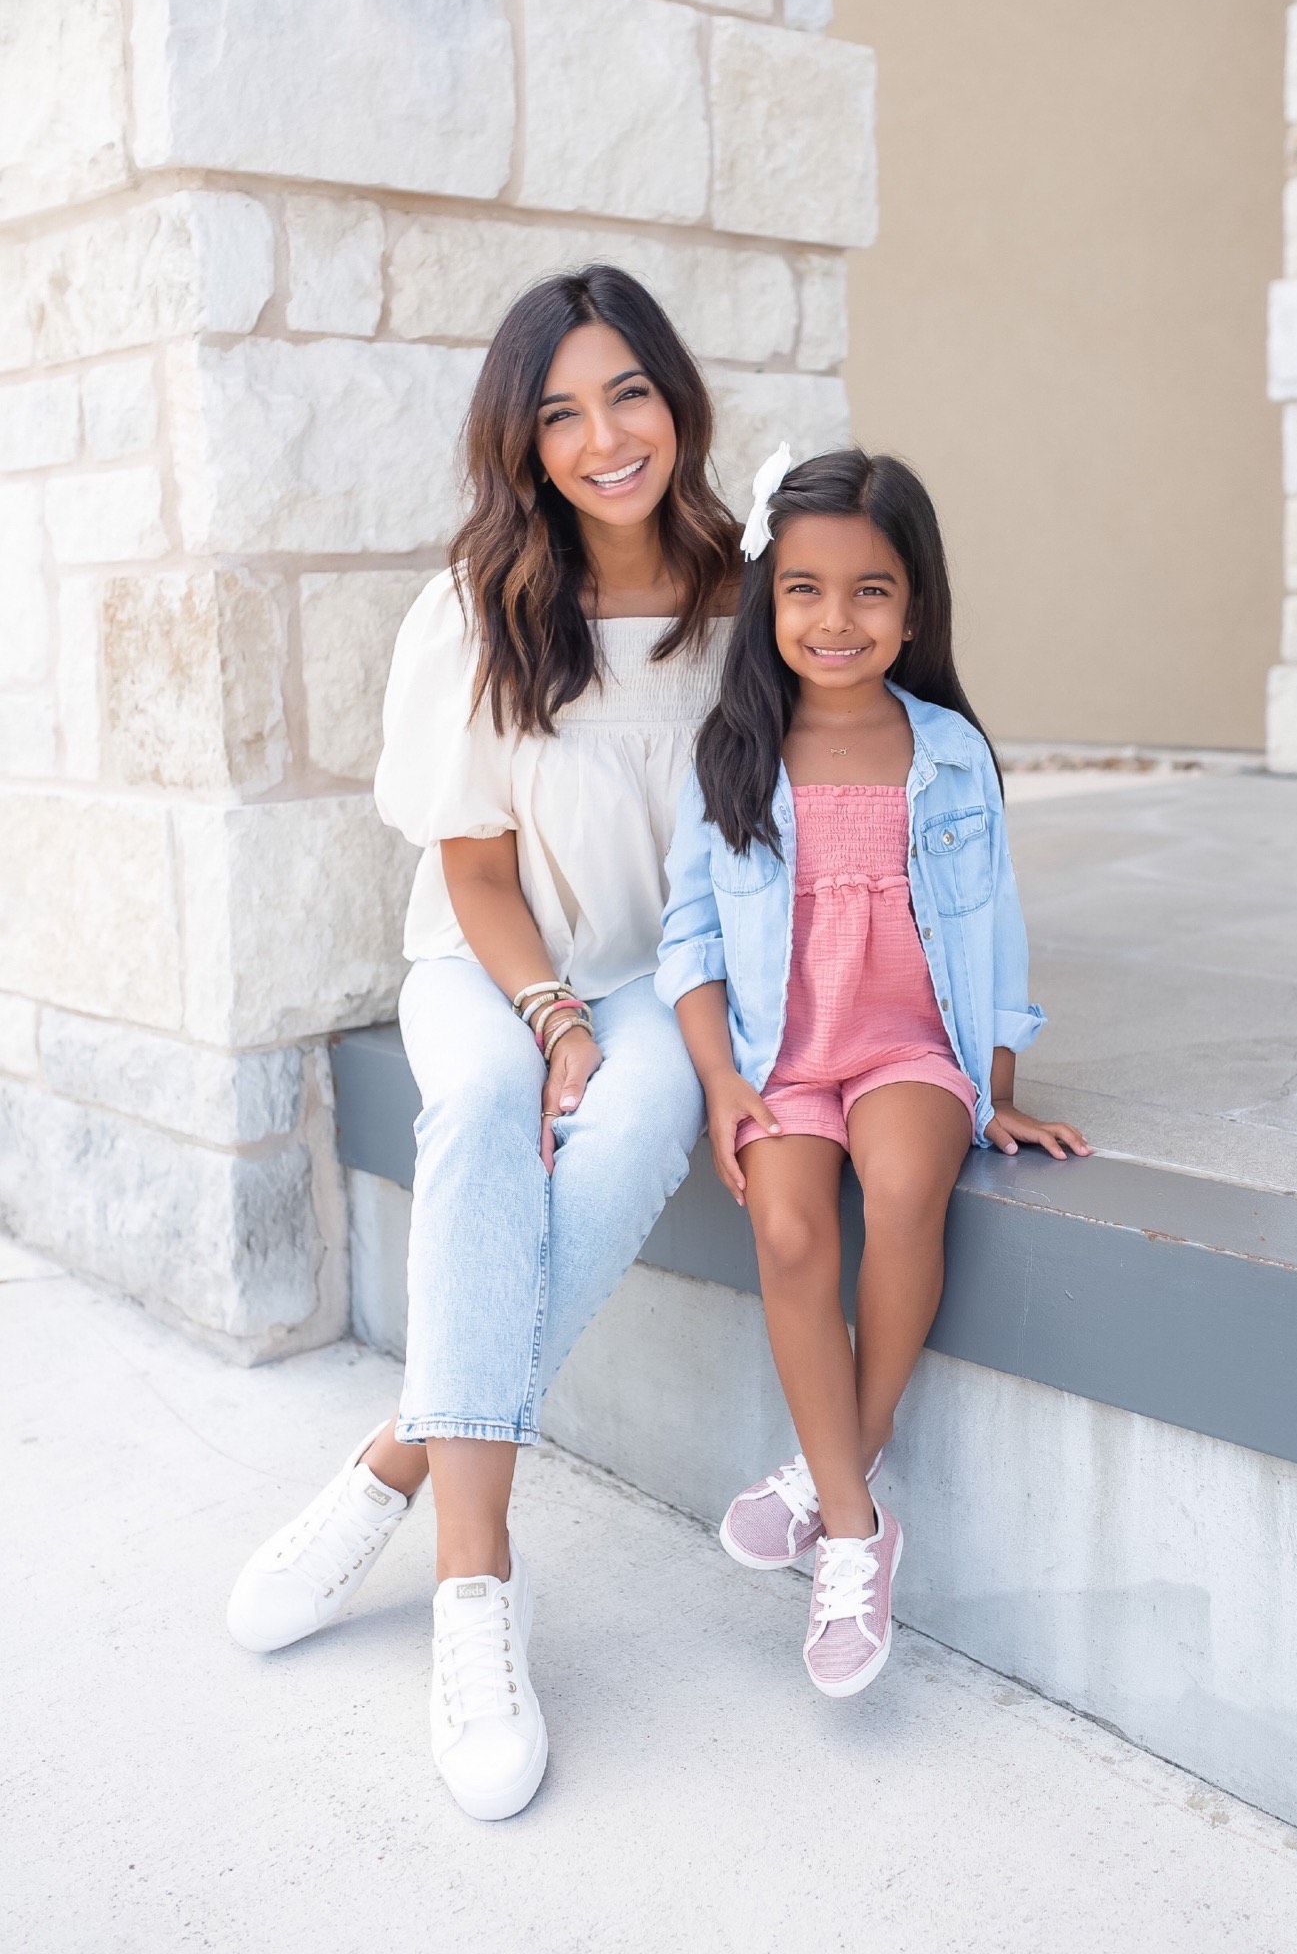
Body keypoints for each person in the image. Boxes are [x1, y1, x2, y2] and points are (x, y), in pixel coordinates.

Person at [226, 266, 738, 1820]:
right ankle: (475, 1590)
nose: (603, 438)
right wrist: (548, 1009)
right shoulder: (469, 611)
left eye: (627, 395)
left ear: (674, 398)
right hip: (492, 957)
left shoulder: (742, 595)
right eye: (562, 414)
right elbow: (468, 865)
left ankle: (395, 1457)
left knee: (644, 1123)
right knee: (484, 1118)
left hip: (670, 970)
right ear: (522, 444)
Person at [657, 446, 1090, 1700]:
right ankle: (860, 1518)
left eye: (869, 592)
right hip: (781, 1058)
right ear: (767, 598)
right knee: (790, 1227)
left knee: (904, 1187)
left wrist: (993, 1082)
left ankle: (834, 1489)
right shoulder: (735, 750)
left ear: (914, 605)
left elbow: (994, 932)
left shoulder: (950, 752)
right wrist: (722, 1084)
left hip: (910, 1045)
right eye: (804, 589)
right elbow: (686, 936)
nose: (834, 620)